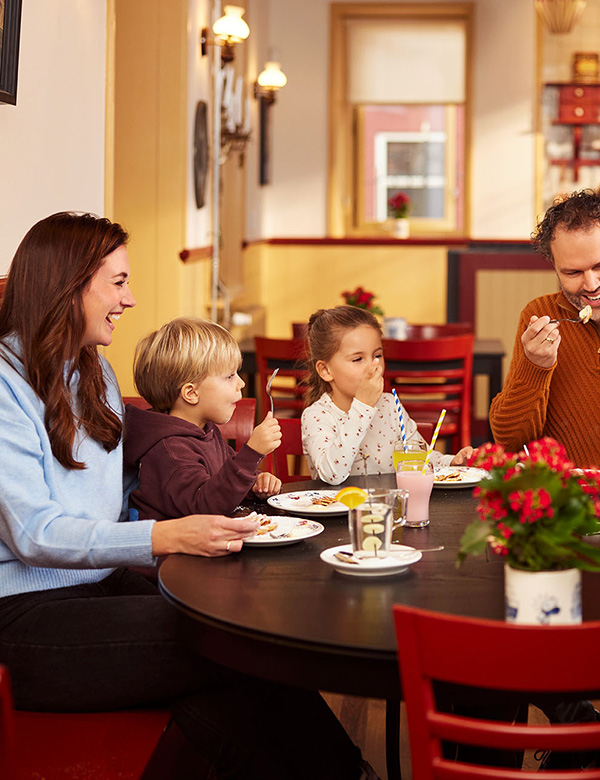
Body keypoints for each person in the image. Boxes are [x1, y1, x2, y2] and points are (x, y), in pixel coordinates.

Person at [0, 212, 378, 780]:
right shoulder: (6, 386)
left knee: (232, 665)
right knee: (233, 641)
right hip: (29, 622)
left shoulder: (95, 371)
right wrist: (165, 534)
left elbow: (123, 477)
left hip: (101, 587)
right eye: (118, 282)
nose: (129, 299)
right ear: (70, 284)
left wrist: (193, 496)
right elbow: (34, 532)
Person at [123, 317, 282, 519]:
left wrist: (256, 483)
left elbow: (226, 478)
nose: (241, 383)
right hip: (174, 550)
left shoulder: (204, 430)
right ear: (191, 393)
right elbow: (205, 506)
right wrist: (252, 453)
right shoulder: (170, 449)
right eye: (229, 376)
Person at [301, 305, 473, 484]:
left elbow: (420, 459)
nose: (373, 366)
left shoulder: (390, 405)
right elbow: (332, 475)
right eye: (358, 359)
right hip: (341, 509)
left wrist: (452, 463)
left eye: (377, 355)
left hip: (391, 508)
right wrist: (362, 406)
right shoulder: (317, 416)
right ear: (326, 370)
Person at [490, 188, 600, 468]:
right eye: (573, 272)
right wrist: (535, 366)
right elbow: (509, 440)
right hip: (568, 500)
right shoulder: (541, 316)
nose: (591, 285)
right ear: (554, 268)